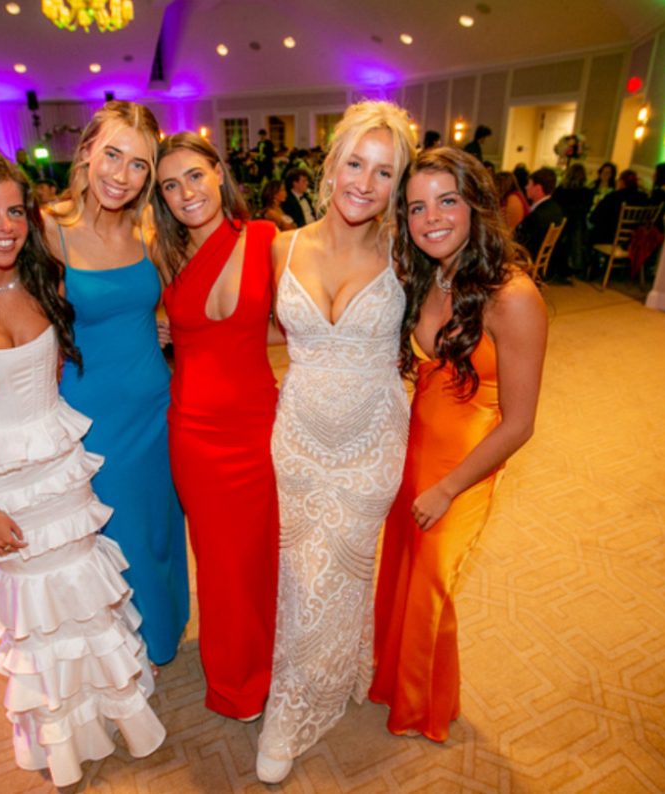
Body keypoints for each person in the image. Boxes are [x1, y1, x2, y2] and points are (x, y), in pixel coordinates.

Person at [0, 150, 165, 787]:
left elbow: (106, 318)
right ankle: (60, 738)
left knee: (84, 593)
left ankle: (110, 713)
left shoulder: (42, 280)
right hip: (1, 487)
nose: (3, 225)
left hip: (62, 467)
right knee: (37, 608)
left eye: (15, 210)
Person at [256, 100, 415, 784]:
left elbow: (448, 323)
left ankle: (286, 714)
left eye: (384, 173)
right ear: (331, 165)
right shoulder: (279, 246)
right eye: (356, 163)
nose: (365, 183)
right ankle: (305, 686)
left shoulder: (408, 250)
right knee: (298, 576)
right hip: (297, 436)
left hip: (372, 436)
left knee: (342, 569)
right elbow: (260, 332)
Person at [369, 146, 546, 742]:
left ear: (476, 205)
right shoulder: (429, 273)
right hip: (413, 453)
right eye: (417, 207)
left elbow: (519, 424)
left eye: (447, 200)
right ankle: (393, 682)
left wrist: (447, 488)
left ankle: (422, 705)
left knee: (432, 588)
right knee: (401, 576)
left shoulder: (514, 295)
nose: (432, 218)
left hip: (463, 470)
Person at [43, 100, 190, 667]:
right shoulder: (48, 229)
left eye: (138, 165)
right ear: (86, 153)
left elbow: (172, 304)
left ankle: (168, 625)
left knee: (160, 523)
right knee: (115, 532)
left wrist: (165, 326)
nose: (120, 175)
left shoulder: (148, 229)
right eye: (112, 154)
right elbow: (15, 323)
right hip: (93, 412)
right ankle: (127, 645)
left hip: (157, 403)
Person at [152, 132, 280, 721]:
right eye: (170, 186)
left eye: (195, 176)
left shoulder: (269, 239)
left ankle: (273, 659)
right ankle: (233, 683)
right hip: (195, 433)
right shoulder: (162, 254)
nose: (186, 193)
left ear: (219, 173)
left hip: (258, 426)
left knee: (259, 556)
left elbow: (301, 316)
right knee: (221, 564)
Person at [515, 167, 566, 278]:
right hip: (545, 262)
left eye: (529, 184)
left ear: (537, 188)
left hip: (528, 260)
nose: (526, 187)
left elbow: (519, 240)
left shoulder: (538, 215)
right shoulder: (555, 208)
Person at [552, 163, 595, 276]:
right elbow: (586, 210)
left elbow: (555, 206)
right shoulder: (587, 193)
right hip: (577, 226)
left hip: (561, 224)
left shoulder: (560, 191)